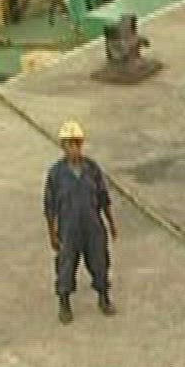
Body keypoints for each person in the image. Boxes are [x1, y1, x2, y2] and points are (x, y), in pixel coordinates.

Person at [43, 120, 117, 323]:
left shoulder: (92, 169)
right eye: (69, 144)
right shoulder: (56, 173)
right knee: (66, 265)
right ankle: (64, 304)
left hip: (93, 227)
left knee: (100, 262)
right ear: (63, 146)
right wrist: (52, 233)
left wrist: (111, 224)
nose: (73, 148)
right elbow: (49, 206)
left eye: (76, 143)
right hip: (69, 229)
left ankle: (104, 298)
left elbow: (103, 198)